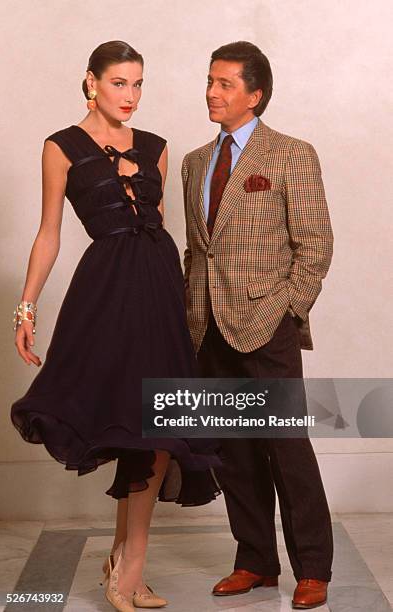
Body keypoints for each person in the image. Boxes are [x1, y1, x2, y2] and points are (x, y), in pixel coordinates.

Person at [11, 40, 221, 612]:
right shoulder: (61, 147)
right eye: (119, 83)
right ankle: (124, 566)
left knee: (158, 428)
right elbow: (49, 233)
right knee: (128, 422)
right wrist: (25, 308)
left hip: (158, 290)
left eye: (137, 85)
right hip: (105, 294)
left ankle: (130, 565)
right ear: (91, 82)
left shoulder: (155, 147)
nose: (129, 96)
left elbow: (163, 228)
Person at [181, 41, 334, 610]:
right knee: (234, 451)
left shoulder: (290, 154)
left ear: (255, 94)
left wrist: (285, 309)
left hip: (266, 324)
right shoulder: (196, 161)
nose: (212, 92)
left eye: (224, 84)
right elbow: (199, 252)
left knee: (286, 447)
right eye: (210, 81)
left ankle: (312, 568)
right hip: (208, 326)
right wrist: (185, 315)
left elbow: (315, 244)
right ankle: (255, 562)